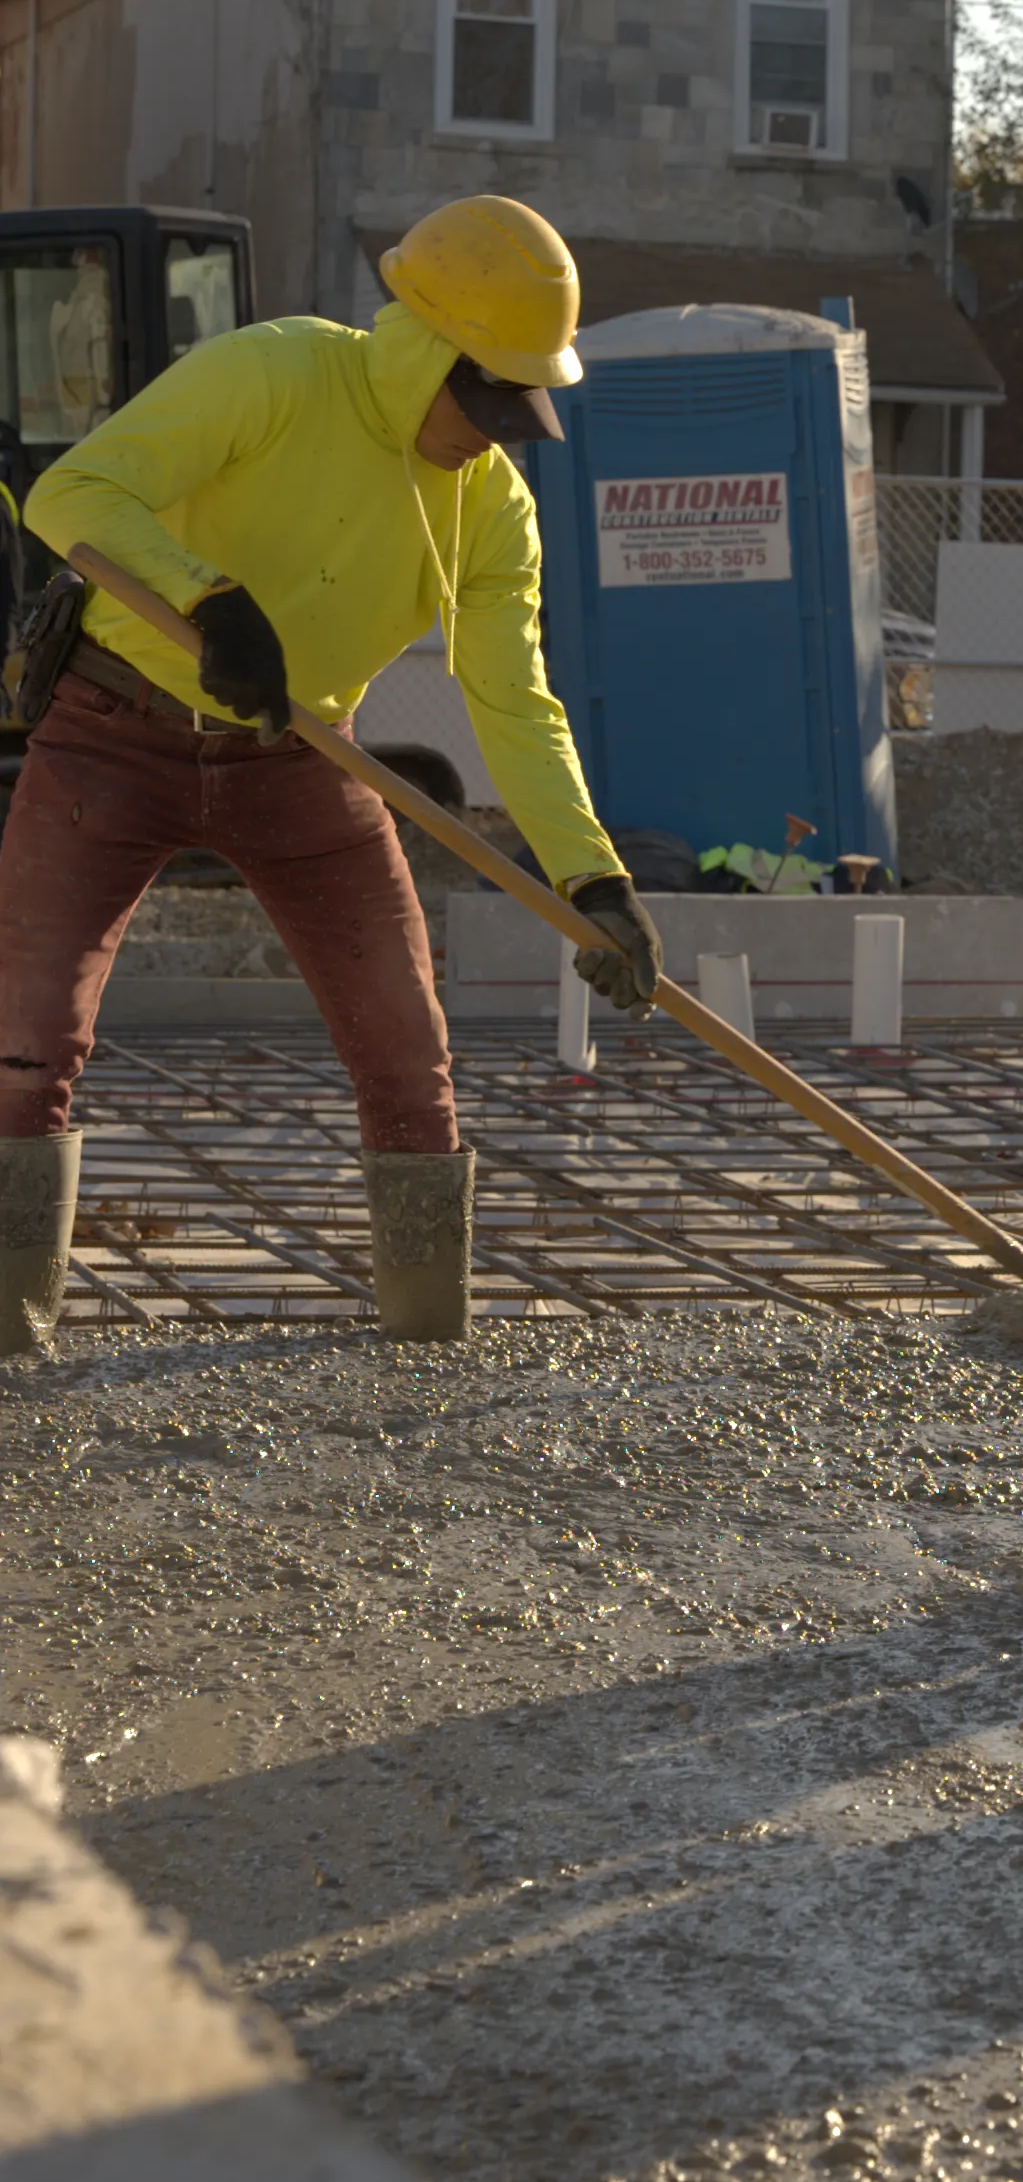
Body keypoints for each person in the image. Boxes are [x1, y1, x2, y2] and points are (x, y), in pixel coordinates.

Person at [0, 195, 661, 1355]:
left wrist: (587, 878)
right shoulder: (276, 372)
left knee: (409, 1049)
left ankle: (423, 1341)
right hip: (115, 725)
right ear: (424, 350)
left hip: (303, 754)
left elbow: (512, 695)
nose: (502, 430)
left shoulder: (490, 506)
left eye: (523, 404)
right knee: (25, 1035)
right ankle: (8, 1332)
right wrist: (209, 598)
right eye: (487, 394)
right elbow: (73, 494)